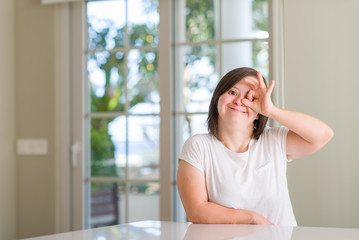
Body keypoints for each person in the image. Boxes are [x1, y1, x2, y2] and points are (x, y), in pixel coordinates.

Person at [176, 67, 333, 226]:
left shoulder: (274, 140)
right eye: (232, 92)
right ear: (217, 98)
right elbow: (196, 211)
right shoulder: (198, 146)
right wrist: (252, 219)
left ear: (259, 111)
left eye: (250, 97)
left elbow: (323, 135)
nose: (239, 101)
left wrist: (271, 111)